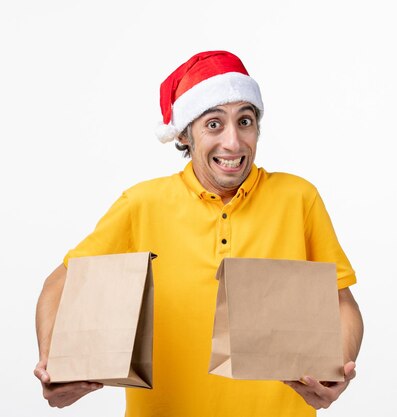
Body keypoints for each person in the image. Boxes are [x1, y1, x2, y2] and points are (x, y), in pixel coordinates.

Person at [33, 50, 364, 416]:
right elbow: (59, 284)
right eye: (213, 124)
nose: (233, 142)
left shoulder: (298, 198)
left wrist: (339, 372)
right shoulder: (142, 204)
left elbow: (341, 303)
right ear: (186, 135)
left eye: (245, 121)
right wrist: (53, 366)